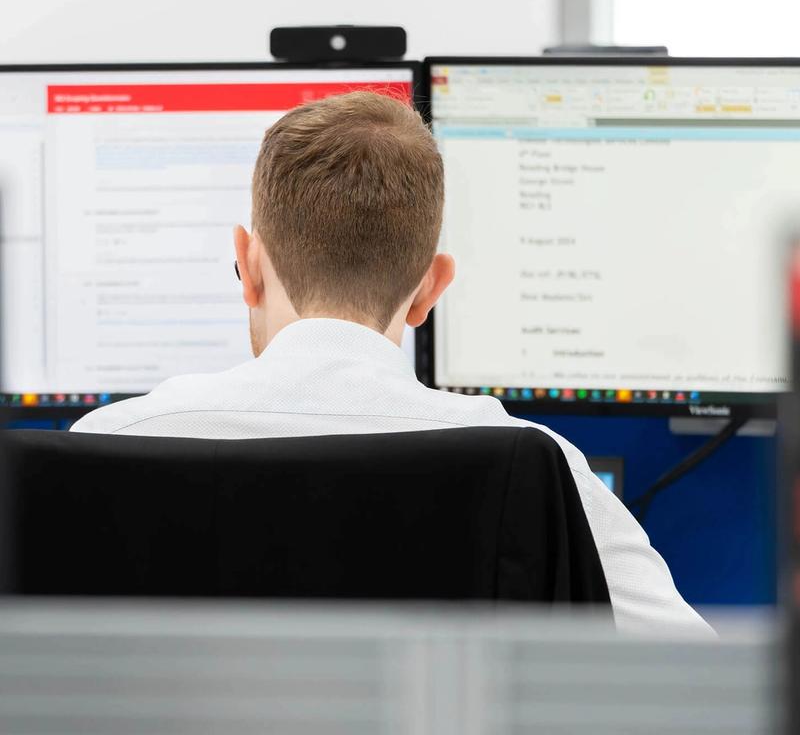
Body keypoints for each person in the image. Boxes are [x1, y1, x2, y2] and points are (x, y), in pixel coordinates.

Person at [72, 91, 712, 635]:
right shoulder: (530, 466)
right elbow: (712, 691)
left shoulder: (105, 450)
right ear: (431, 288)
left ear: (248, 264)